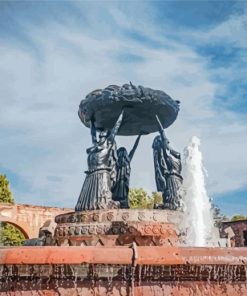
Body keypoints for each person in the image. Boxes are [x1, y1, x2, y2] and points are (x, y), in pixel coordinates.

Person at [75, 110, 124, 211]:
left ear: (106, 137)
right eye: (100, 135)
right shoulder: (95, 145)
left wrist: (122, 113)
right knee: (87, 203)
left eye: (103, 136)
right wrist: (92, 121)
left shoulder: (108, 145)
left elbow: (115, 129)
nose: (101, 136)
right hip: (91, 174)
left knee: (103, 197)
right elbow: (92, 133)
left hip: (102, 173)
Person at [153, 115, 183, 210]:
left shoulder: (169, 157)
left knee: (173, 197)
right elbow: (163, 135)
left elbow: (163, 134)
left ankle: (173, 204)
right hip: (177, 179)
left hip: (172, 179)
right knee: (176, 197)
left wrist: (156, 117)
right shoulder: (177, 161)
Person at [112, 133, 144, 208]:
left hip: (124, 182)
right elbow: (112, 145)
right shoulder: (116, 161)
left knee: (123, 196)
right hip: (117, 182)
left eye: (124, 152)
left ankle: (122, 203)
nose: (123, 154)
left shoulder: (127, 160)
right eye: (121, 152)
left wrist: (139, 136)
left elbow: (134, 147)